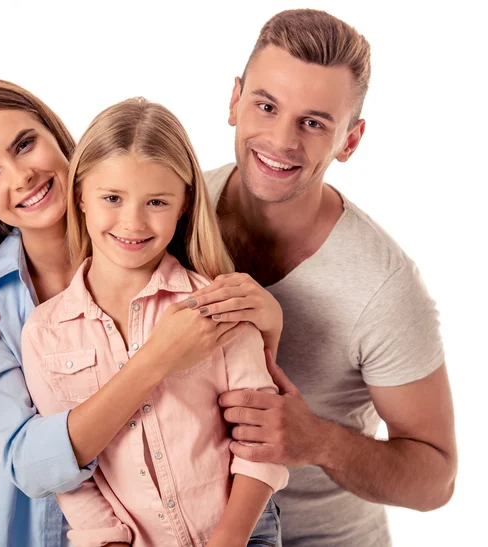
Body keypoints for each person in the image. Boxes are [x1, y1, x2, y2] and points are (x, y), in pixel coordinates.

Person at [0, 79, 276, 547]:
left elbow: (254, 411)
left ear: (59, 137)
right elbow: (30, 463)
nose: (21, 176)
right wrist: (156, 358)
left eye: (25, 144)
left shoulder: (168, 232)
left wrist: (271, 320)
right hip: (51, 529)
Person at [184, 8, 457, 546]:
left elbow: (437, 479)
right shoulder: (169, 214)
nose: (281, 141)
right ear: (234, 101)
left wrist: (318, 443)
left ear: (349, 142)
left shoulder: (384, 288)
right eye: (266, 106)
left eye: (313, 123)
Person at [21, 97, 288, 547]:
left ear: (185, 203)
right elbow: (73, 477)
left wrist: (228, 539)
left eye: (157, 202)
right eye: (112, 198)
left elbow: (259, 441)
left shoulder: (215, 303)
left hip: (241, 535)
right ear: (80, 194)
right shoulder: (46, 332)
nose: (133, 222)